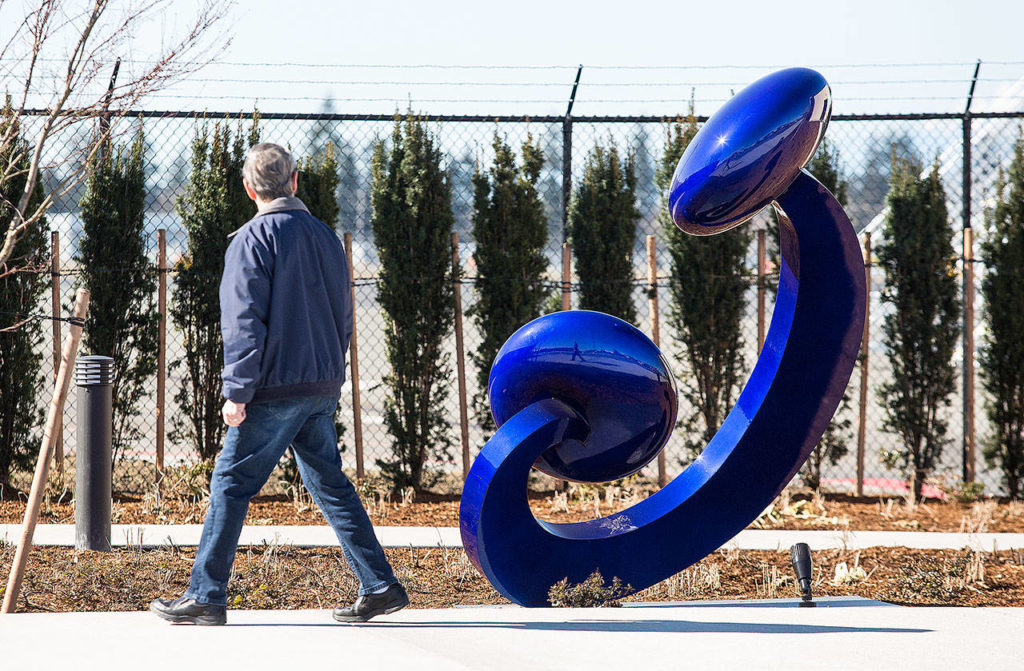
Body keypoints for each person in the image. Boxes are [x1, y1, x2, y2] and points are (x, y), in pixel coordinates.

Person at [151, 142, 408, 625]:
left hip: (272, 391)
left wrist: (237, 392)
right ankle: (380, 585)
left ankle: (206, 596)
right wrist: (332, 375)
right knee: (329, 483)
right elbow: (344, 316)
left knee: (231, 481)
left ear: (250, 189)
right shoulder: (326, 237)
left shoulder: (251, 240)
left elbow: (244, 324)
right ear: (294, 181)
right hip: (319, 386)